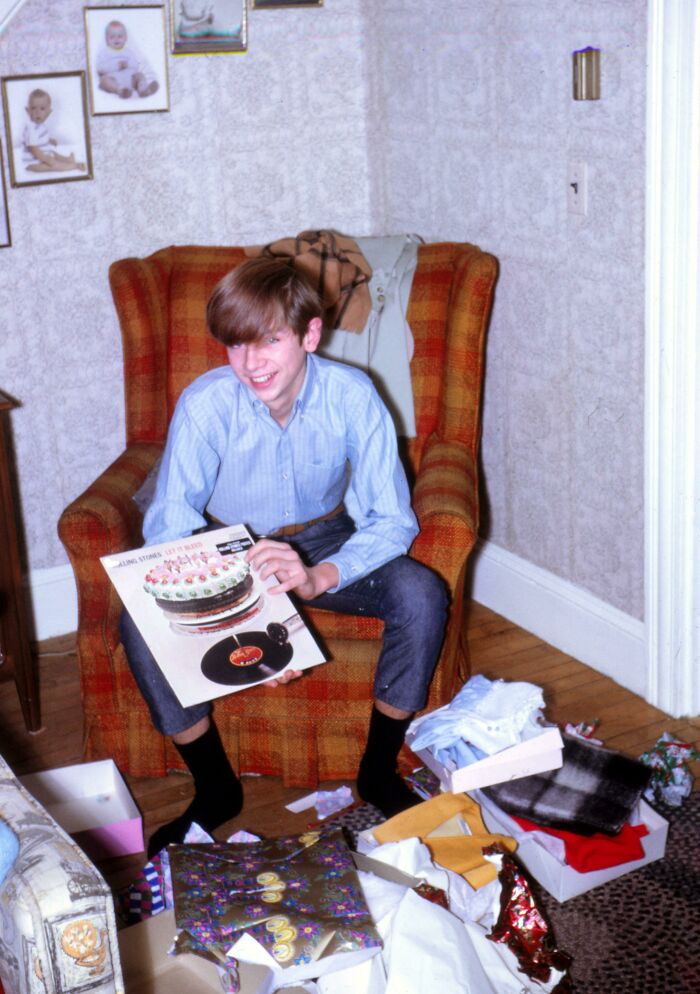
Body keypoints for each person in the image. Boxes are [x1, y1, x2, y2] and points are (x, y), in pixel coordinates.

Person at [120, 257, 448, 857]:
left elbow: (392, 521)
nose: (251, 363)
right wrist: (251, 619)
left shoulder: (354, 396)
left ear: (309, 335)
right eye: (237, 345)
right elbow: (172, 527)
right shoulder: (204, 404)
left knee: (422, 594)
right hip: (222, 547)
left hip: (325, 538)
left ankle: (377, 770)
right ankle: (215, 786)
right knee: (138, 618)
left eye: (269, 339)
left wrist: (321, 576)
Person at [22, 89, 86, 173]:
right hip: (33, 161)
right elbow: (33, 148)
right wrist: (46, 159)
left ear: (48, 112)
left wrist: (49, 140)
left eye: (42, 109)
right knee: (52, 165)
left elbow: (39, 138)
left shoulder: (40, 125)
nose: (37, 112)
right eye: (33, 108)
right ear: (28, 111)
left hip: (43, 154)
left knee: (54, 154)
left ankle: (67, 159)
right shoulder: (31, 129)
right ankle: (73, 166)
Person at [96, 20, 159, 100]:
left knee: (139, 75)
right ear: (107, 40)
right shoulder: (105, 52)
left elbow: (136, 65)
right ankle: (120, 90)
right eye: (112, 37)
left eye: (120, 36)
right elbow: (100, 69)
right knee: (104, 81)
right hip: (114, 80)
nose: (116, 39)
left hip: (130, 80)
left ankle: (143, 89)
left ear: (125, 38)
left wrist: (128, 64)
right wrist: (115, 66)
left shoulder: (128, 52)